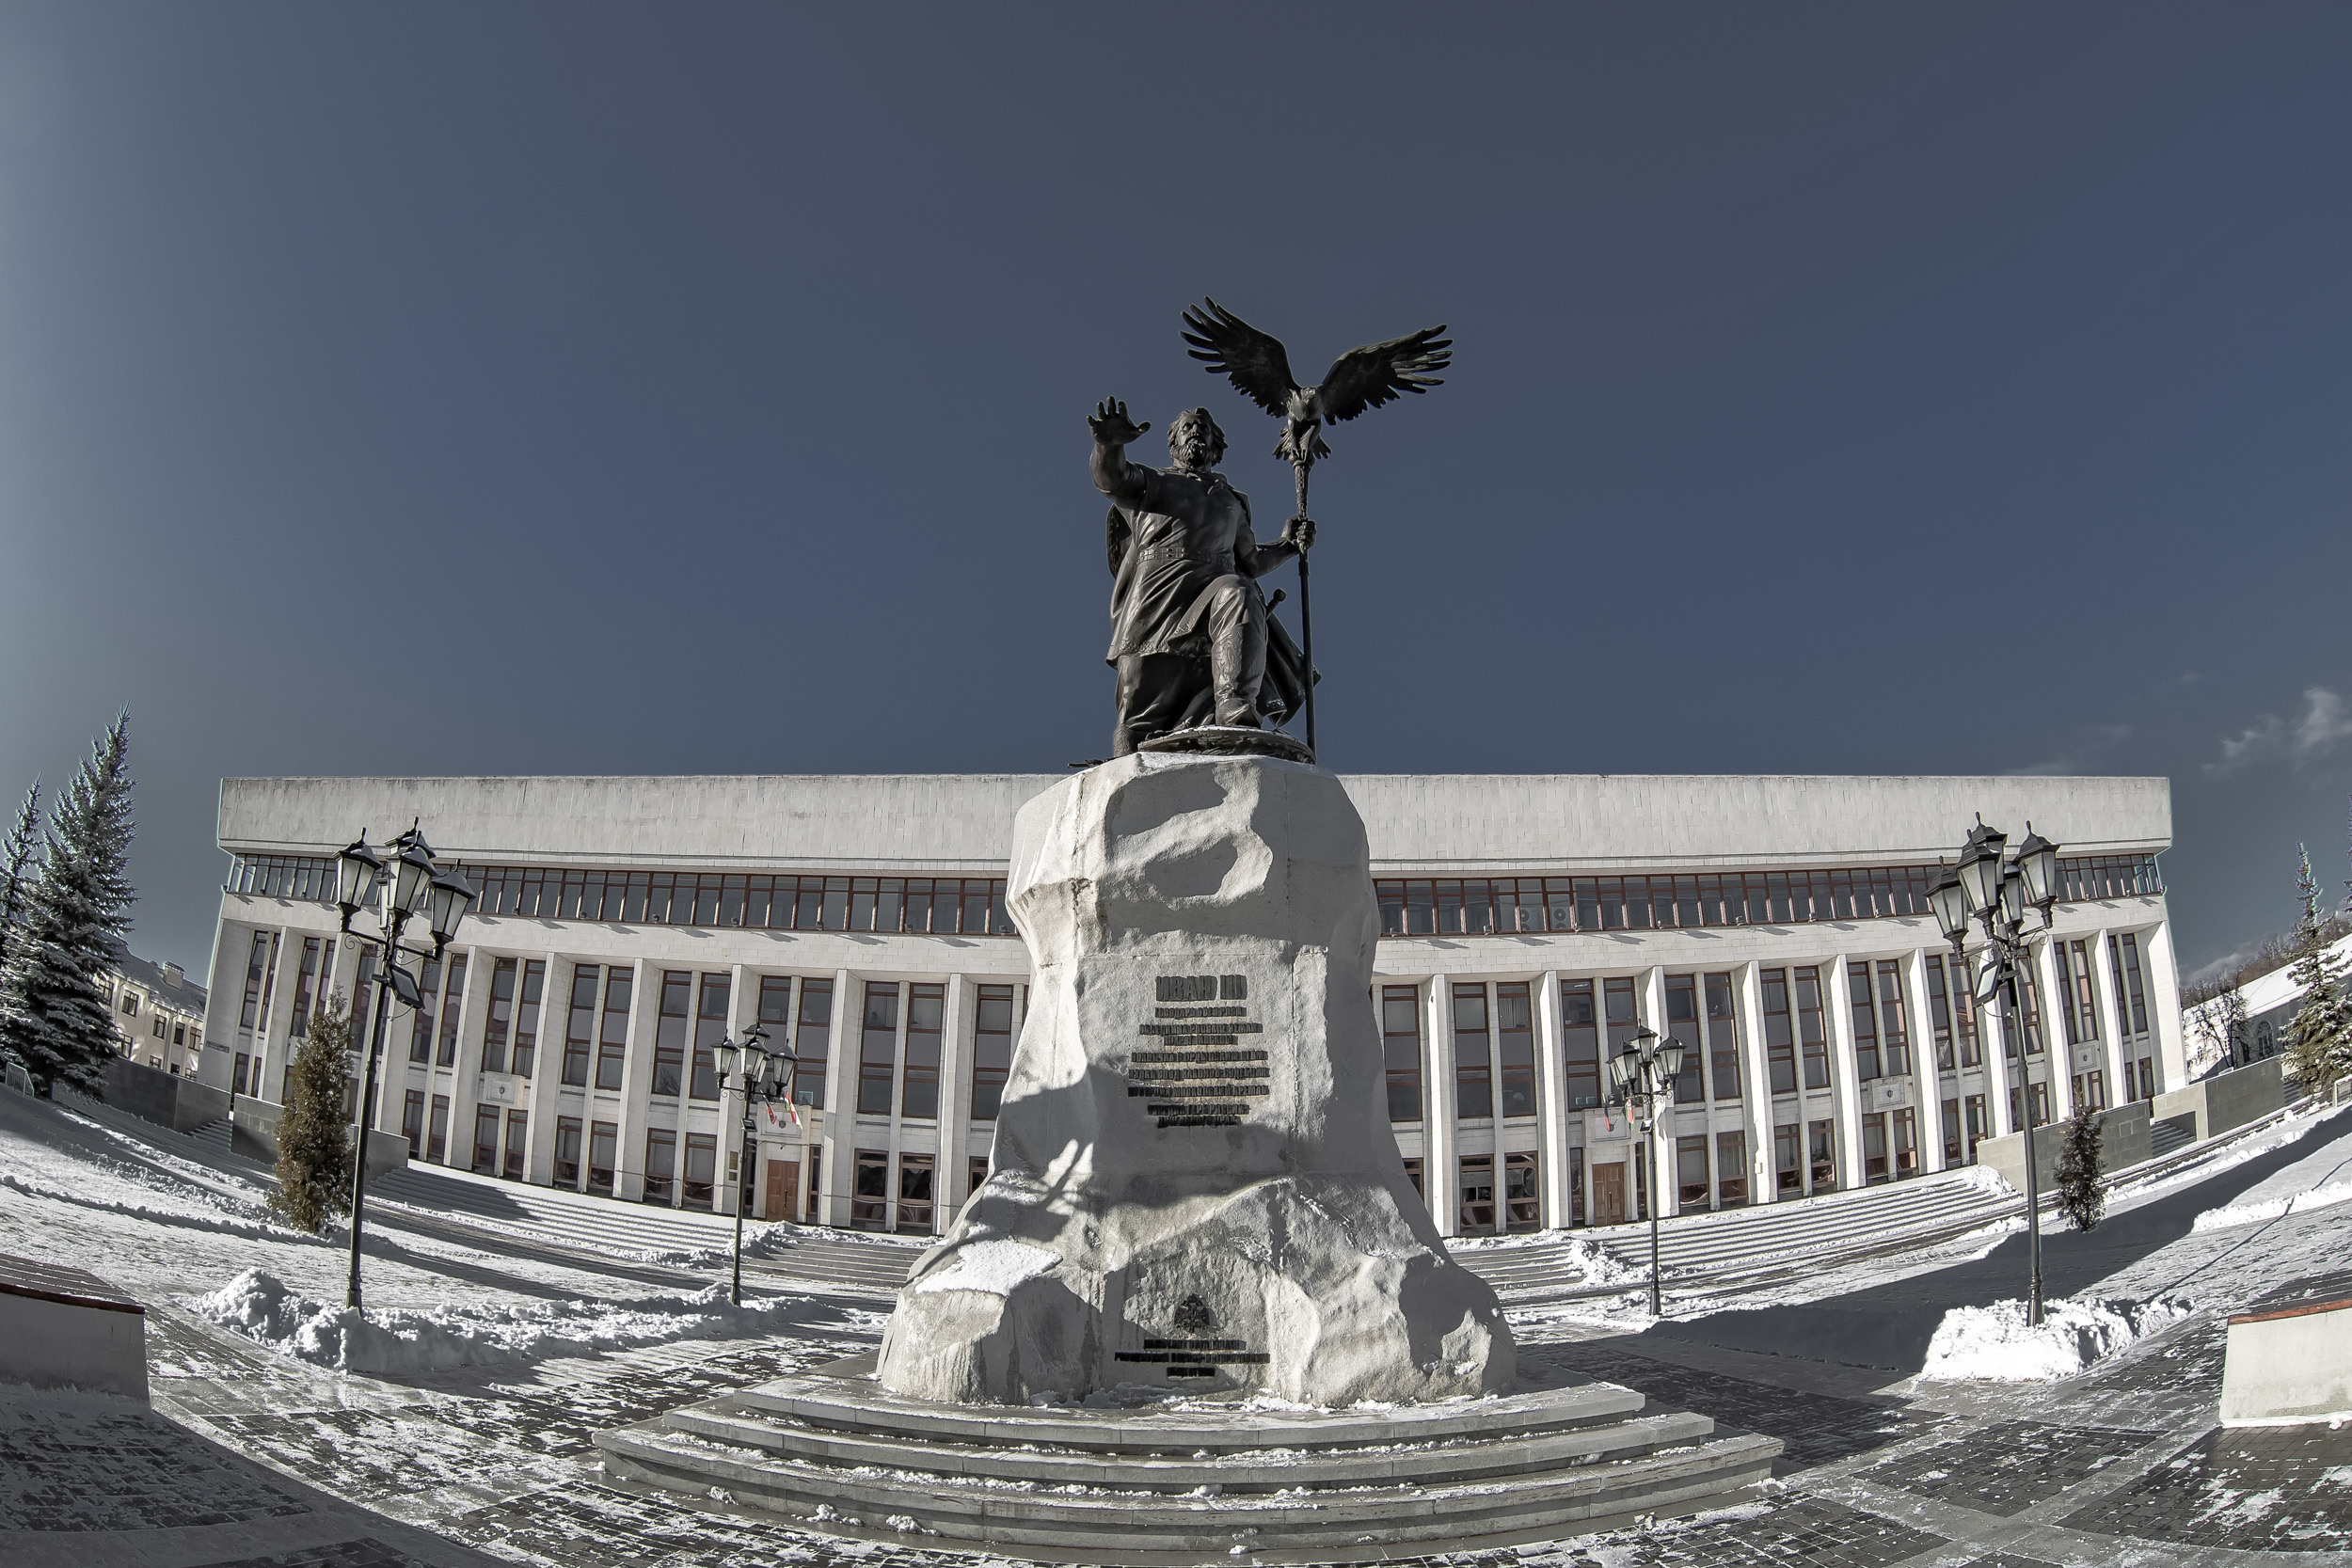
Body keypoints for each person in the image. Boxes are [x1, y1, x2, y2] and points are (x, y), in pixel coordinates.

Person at [1089, 400, 1313, 755]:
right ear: (1174, 442)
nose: (1196, 432)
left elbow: (1250, 562)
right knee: (1138, 717)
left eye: (1203, 428)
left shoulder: (1231, 501)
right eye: (1187, 427)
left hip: (1214, 588)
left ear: (1216, 446)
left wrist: (1288, 545)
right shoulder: (1152, 481)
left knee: (1239, 591)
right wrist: (1109, 445)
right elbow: (1110, 478)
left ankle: (1235, 711)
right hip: (1158, 595)